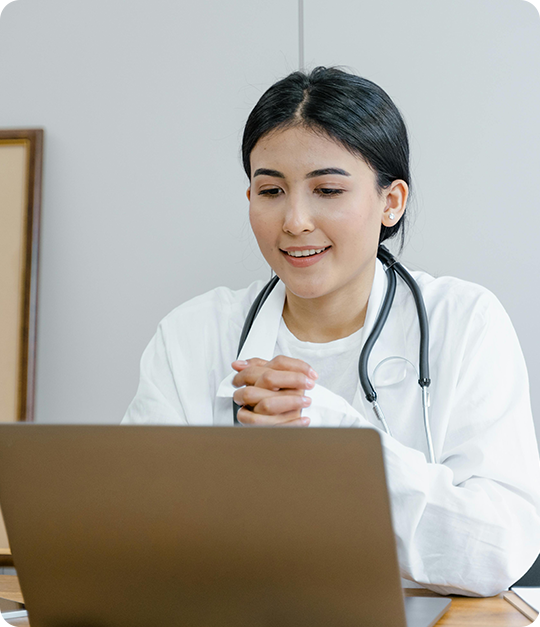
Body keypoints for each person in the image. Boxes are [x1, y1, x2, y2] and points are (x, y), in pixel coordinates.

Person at [122, 67, 540, 596]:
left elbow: (497, 552)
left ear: (391, 202)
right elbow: (137, 538)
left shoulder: (464, 322)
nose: (295, 220)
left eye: (327, 189)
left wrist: (339, 440)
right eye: (270, 189)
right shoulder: (191, 336)